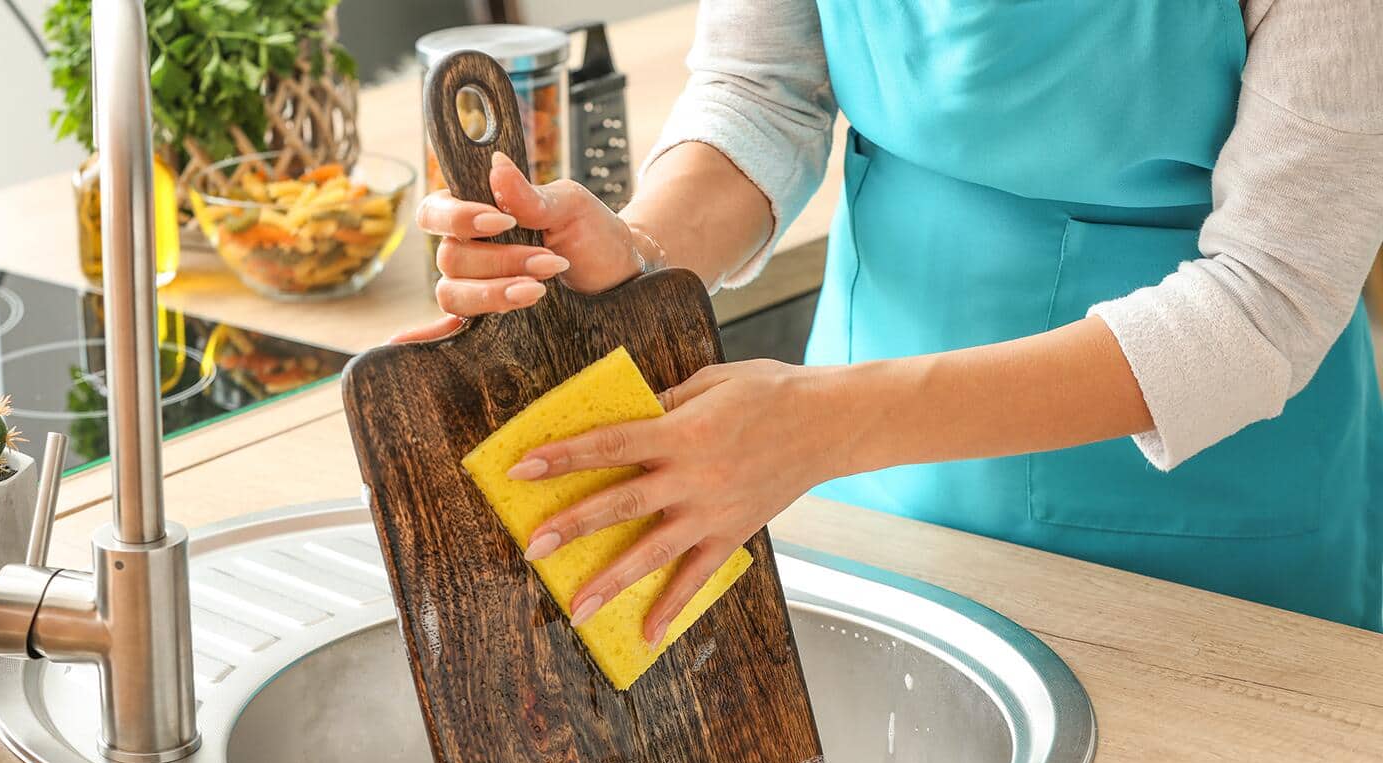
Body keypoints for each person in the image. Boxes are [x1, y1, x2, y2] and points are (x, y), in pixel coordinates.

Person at [399, 0, 1383, 644]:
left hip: (1211, 526)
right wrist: (641, 258)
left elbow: (1272, 295)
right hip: (858, 478)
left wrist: (831, 425)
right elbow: (764, 87)